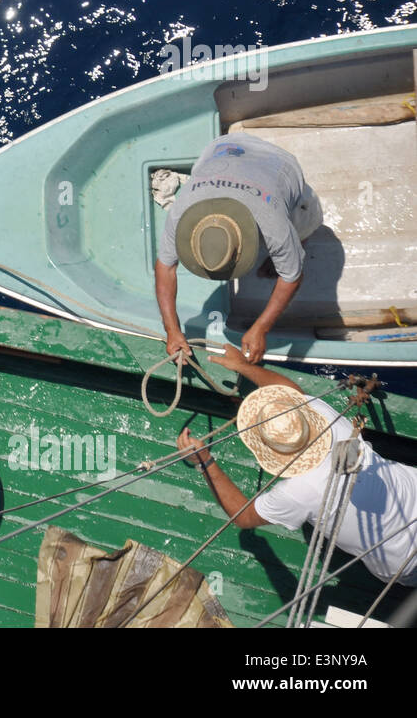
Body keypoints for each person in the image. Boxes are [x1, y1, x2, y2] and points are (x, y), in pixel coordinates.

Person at [177, 346, 417, 587]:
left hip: (404, 563)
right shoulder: (324, 417)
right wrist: (243, 367)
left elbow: (244, 517)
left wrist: (204, 462)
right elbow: (292, 391)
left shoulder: (297, 492)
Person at [153, 132, 322, 364]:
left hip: (281, 164)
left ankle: (288, 251)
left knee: (302, 231)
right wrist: (172, 329)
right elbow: (165, 267)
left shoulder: (273, 224)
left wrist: (261, 328)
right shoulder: (181, 212)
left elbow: (292, 277)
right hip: (226, 146)